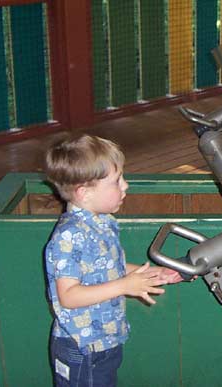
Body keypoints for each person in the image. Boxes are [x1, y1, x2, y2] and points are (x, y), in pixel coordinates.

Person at [44, 134, 183, 386]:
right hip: (81, 348)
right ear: (84, 193)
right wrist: (124, 286)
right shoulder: (69, 236)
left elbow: (108, 269)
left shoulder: (101, 222)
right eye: (116, 181)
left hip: (105, 340)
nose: (125, 186)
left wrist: (150, 274)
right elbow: (69, 296)